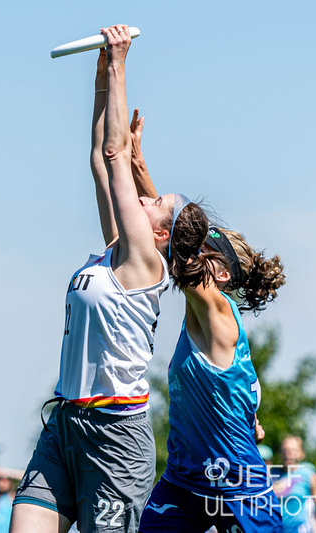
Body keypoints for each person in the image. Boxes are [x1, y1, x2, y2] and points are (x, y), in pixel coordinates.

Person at [10, 24, 210, 533]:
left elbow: (119, 157)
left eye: (154, 203)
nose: (144, 197)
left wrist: (120, 62)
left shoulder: (145, 263)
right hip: (65, 424)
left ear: (161, 235)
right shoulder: (114, 253)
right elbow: (101, 163)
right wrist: (101, 80)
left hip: (115, 437)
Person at [125, 98, 285, 533]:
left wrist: (139, 180)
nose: (191, 250)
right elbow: (165, 229)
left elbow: (168, 232)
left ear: (220, 269)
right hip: (186, 480)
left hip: (237, 482)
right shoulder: (202, 307)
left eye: (203, 249)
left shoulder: (216, 308)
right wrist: (139, 165)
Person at [272, 436, 316, 533]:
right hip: (275, 529)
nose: (288, 454)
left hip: (299, 529)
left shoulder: (309, 475)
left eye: (293, 451)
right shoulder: (272, 474)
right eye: (285, 450)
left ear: (302, 454)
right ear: (280, 453)